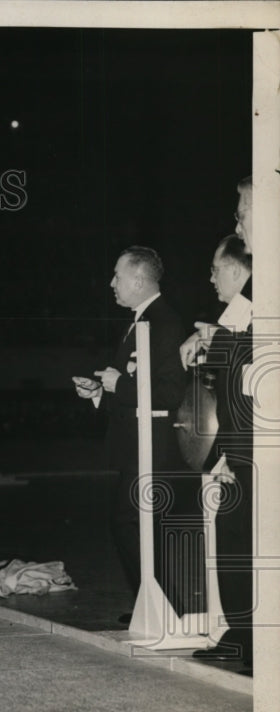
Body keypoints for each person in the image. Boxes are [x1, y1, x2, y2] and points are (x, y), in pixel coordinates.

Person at [72, 247, 187, 611]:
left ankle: (161, 608)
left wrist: (119, 384)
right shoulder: (140, 319)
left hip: (155, 446)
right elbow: (134, 391)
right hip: (138, 444)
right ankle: (154, 608)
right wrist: (99, 395)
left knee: (130, 524)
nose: (111, 283)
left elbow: (170, 392)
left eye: (117, 276)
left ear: (139, 280)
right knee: (135, 527)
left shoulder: (164, 322)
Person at [184, 222, 254, 669]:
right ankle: (241, 633)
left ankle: (260, 638)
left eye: (215, 270)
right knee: (231, 544)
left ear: (237, 270)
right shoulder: (233, 318)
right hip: (238, 449)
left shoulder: (256, 310)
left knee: (254, 545)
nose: (210, 278)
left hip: (259, 448)